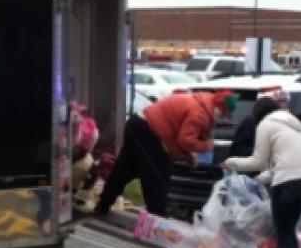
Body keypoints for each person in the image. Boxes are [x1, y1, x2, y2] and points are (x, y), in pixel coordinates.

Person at [222, 95, 301, 248]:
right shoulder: (293, 124)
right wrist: (263, 178)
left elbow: (257, 161)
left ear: (258, 114)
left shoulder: (266, 124)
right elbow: (283, 161)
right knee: (289, 230)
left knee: (283, 231)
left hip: (287, 183)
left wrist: (230, 162)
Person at [95, 90, 238, 217]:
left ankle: (103, 205)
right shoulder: (200, 114)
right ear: (220, 110)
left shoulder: (201, 104)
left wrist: (188, 155)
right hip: (147, 130)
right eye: (225, 115)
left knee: (125, 170)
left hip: (138, 124)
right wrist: (207, 145)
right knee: (157, 176)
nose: (223, 119)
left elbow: (180, 136)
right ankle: (157, 218)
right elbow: (186, 140)